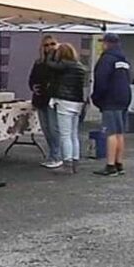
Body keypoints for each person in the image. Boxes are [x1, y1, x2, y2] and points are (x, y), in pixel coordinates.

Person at [91, 33, 132, 176]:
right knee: (120, 133)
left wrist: (96, 98)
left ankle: (110, 165)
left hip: (111, 100)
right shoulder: (124, 60)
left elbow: (100, 81)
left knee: (111, 133)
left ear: (106, 44)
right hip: (124, 99)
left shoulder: (106, 59)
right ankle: (119, 163)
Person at [48, 44, 87, 173]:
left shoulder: (63, 65)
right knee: (74, 134)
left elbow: (50, 65)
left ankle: (67, 164)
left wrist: (50, 54)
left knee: (65, 135)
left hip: (64, 101)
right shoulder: (80, 67)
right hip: (77, 102)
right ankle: (75, 161)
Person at [28, 35, 61, 169]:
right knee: (46, 129)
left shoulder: (60, 61)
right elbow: (32, 78)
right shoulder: (39, 62)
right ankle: (52, 154)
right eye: (46, 45)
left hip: (53, 99)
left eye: (52, 44)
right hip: (40, 98)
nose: (49, 47)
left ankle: (57, 155)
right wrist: (33, 87)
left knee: (54, 129)